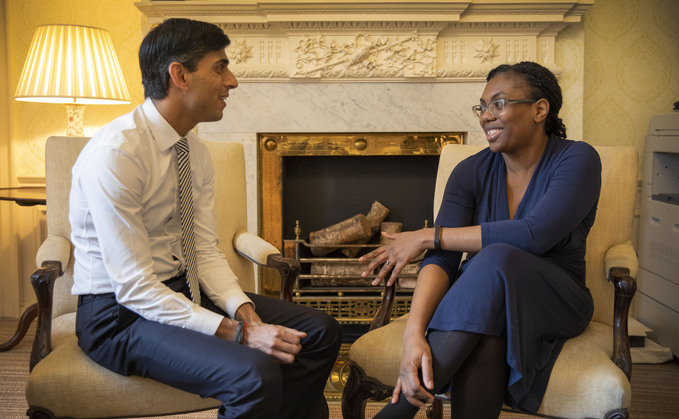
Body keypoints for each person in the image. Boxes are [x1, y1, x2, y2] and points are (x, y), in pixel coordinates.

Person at [69, 18, 342, 419]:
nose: (232, 81)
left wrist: (244, 312)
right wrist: (242, 335)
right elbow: (134, 287)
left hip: (183, 291)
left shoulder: (193, 153)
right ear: (179, 74)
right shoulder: (117, 155)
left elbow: (202, 251)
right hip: (118, 316)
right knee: (255, 374)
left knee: (320, 331)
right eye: (220, 67)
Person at [360, 61, 600, 418]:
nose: (486, 116)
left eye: (499, 104)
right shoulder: (470, 170)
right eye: (482, 107)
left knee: (494, 257)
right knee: (486, 338)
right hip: (485, 300)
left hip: (555, 298)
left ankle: (396, 412)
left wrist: (428, 235)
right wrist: (414, 333)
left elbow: (535, 234)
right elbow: (441, 260)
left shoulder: (577, 159)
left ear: (540, 109)